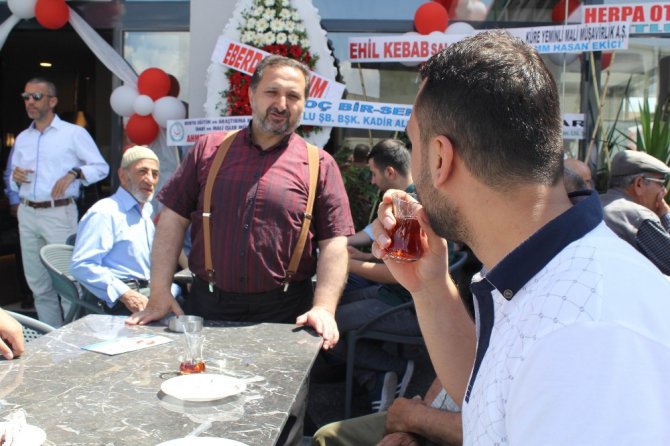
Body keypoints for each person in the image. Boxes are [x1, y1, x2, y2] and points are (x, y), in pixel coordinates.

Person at [372, 31, 670, 444]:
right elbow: (492, 402)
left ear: (440, 158)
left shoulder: (585, 335)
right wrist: (429, 288)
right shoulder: (545, 270)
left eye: (412, 142)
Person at [10, 77, 109, 328]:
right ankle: (50, 340)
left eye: (36, 97)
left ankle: (72, 343)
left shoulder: (73, 133)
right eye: (26, 97)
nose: (29, 102)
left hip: (59, 212)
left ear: (52, 101)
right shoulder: (23, 138)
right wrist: (15, 178)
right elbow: (13, 180)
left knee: (67, 282)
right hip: (27, 212)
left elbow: (101, 167)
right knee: (38, 285)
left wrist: (75, 173)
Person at [71, 146, 180, 315]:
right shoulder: (106, 211)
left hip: (145, 290)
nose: (150, 179)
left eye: (155, 174)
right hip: (115, 298)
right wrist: (125, 294)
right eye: (142, 171)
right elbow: (82, 264)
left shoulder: (146, 210)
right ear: (123, 175)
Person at [312, 378, 461, 446]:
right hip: (429, 420)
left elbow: (478, 431)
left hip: (459, 434)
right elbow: (452, 367)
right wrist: (409, 429)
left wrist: (412, 418)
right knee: (327, 437)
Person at [600, 149, 670, 275]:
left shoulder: (591, 204)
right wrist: (666, 216)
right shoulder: (637, 216)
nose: (664, 191)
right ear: (639, 184)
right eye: (661, 183)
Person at [348, 139, 414, 248]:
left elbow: (406, 259)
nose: (372, 181)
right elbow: (371, 232)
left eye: (374, 174)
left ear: (389, 172)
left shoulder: (413, 204)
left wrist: (351, 263)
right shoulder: (403, 199)